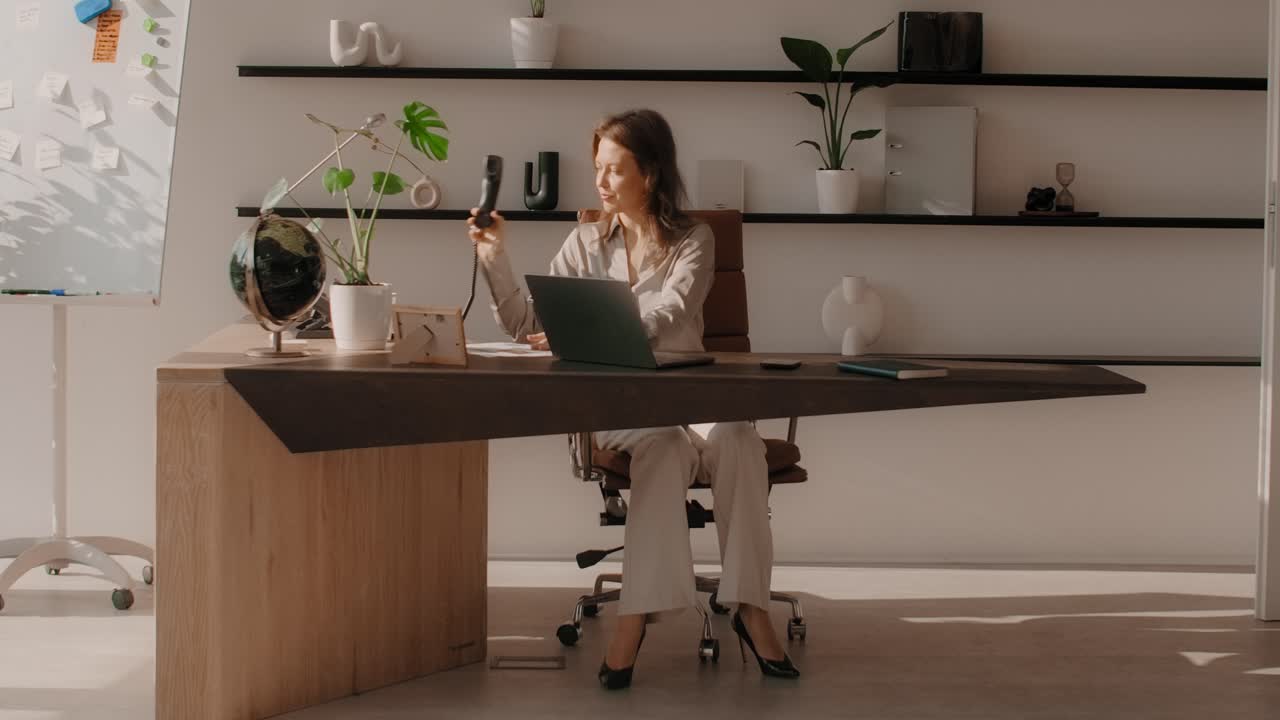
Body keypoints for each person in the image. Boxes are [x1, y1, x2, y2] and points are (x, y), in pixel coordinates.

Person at [467, 109, 798, 689]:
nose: (600, 182)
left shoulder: (695, 239)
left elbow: (673, 309)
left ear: (649, 173)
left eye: (614, 170)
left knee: (740, 437)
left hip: (694, 399)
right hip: (625, 409)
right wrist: (495, 256)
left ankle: (751, 607)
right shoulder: (583, 243)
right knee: (664, 447)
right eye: (598, 168)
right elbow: (524, 324)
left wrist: (604, 328)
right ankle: (634, 618)